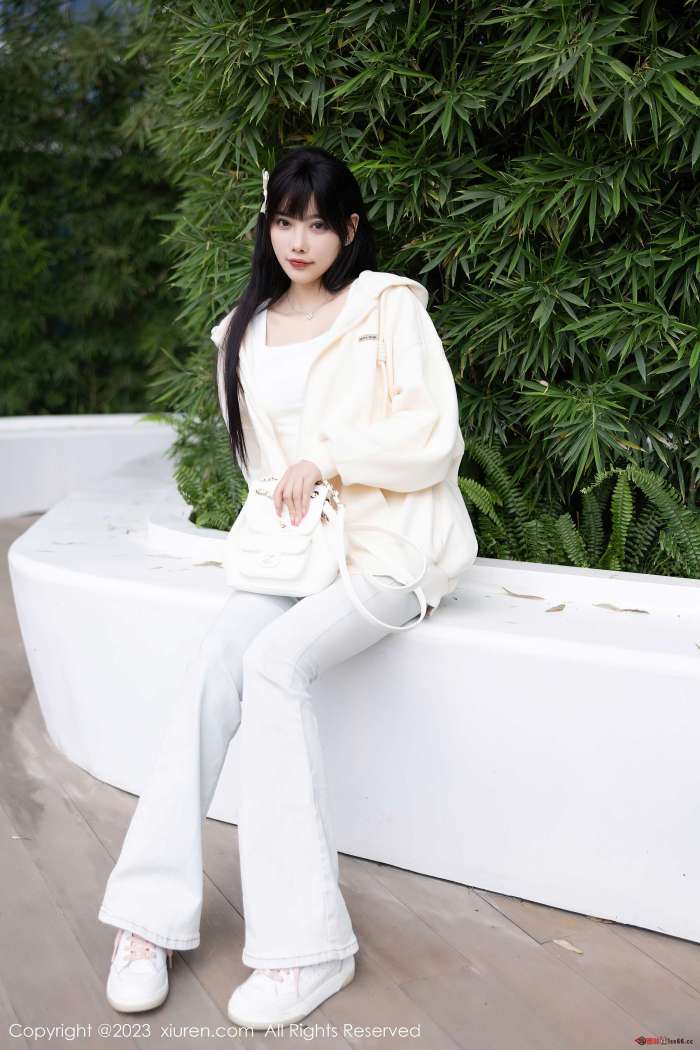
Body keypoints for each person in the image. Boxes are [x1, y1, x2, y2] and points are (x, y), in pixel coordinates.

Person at [97, 146, 478, 1028]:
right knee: (213, 668)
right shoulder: (242, 331)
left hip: (388, 552)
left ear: (349, 230)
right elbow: (263, 473)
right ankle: (146, 919)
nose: (298, 241)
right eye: (283, 221)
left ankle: (309, 947)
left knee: (272, 663)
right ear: (266, 226)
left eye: (317, 224)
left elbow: (435, 439)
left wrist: (330, 460)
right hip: (295, 554)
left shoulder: (386, 306)